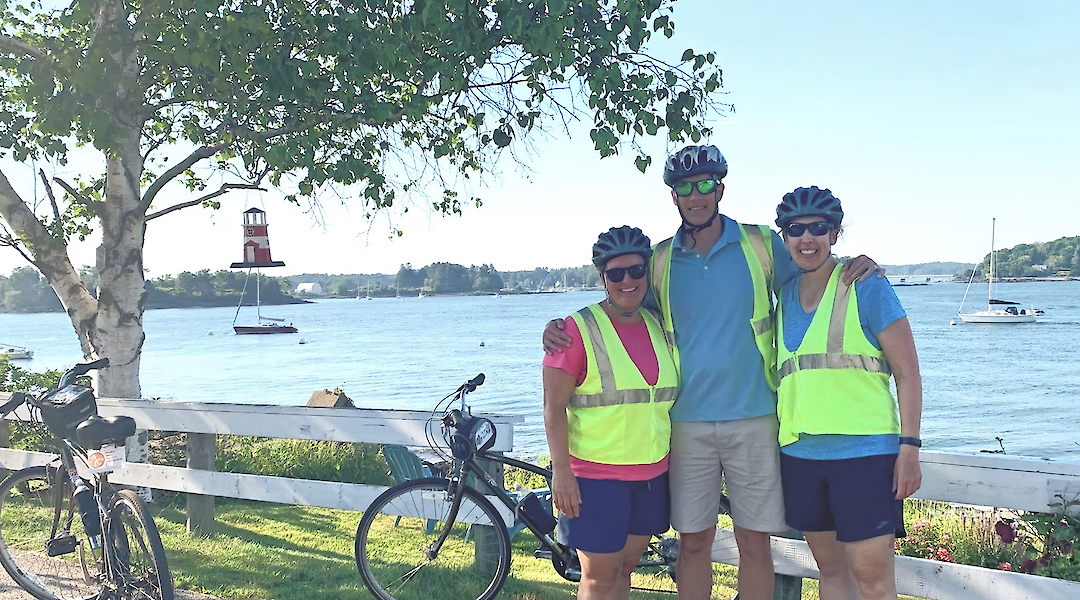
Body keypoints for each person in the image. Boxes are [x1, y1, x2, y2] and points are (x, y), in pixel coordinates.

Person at [544, 145, 882, 600]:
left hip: (756, 416)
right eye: (685, 188)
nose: (696, 195)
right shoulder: (658, 261)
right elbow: (621, 305)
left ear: (720, 189)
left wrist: (854, 263)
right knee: (694, 542)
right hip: (686, 424)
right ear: (674, 196)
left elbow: (813, 265)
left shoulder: (760, 244)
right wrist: (558, 328)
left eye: (705, 184)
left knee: (754, 543)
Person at [774, 187, 922, 600]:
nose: (807, 238)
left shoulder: (867, 286)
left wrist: (909, 449)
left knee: (872, 580)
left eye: (819, 228)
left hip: (865, 456)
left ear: (835, 233)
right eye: (795, 229)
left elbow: (908, 373)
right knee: (831, 572)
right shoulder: (783, 295)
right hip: (801, 456)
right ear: (784, 237)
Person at [542, 226, 678, 600]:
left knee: (624, 570)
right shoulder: (575, 330)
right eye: (616, 273)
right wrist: (562, 474)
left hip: (651, 475)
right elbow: (553, 409)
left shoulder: (659, 325)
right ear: (602, 278)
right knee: (599, 578)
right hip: (594, 480)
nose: (627, 281)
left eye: (636, 270)